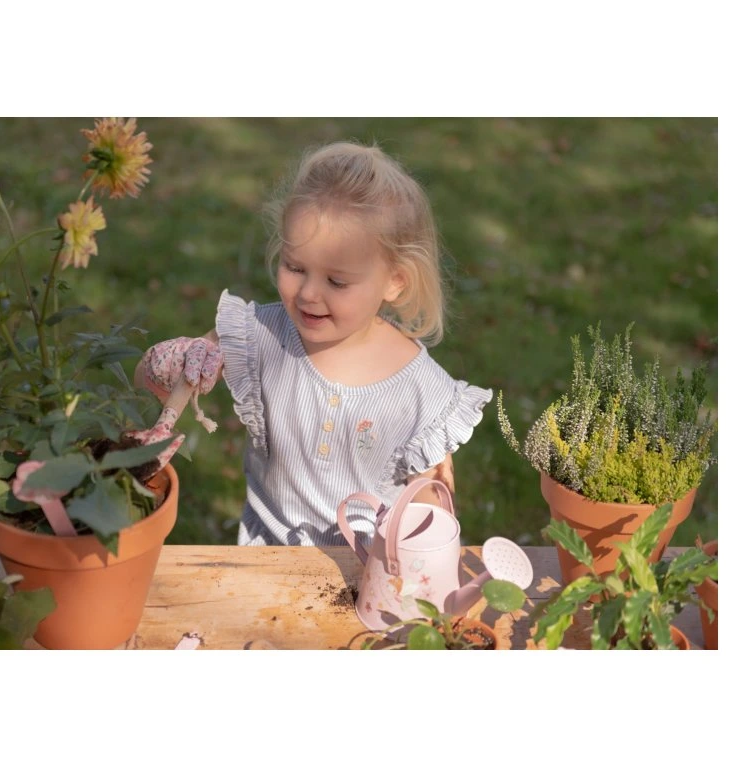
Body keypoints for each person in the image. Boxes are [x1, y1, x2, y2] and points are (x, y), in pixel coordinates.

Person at [136, 141, 493, 546]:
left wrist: (421, 546)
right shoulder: (262, 335)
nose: (308, 293)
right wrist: (174, 362)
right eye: (295, 267)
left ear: (395, 281)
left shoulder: (422, 392)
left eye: (336, 281)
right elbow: (151, 384)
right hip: (265, 562)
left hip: (365, 573)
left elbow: (431, 503)